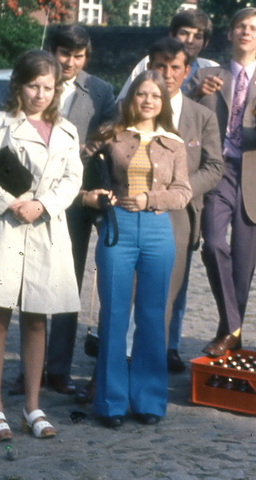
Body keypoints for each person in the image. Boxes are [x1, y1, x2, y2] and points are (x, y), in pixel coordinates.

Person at [0, 49, 83, 441]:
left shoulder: (66, 130)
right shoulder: (2, 122)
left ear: (57, 89)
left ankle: (33, 406)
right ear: (19, 86)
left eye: (48, 87)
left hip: (46, 229)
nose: (40, 94)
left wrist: (42, 204)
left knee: (37, 316)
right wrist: (11, 203)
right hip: (9, 229)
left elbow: (72, 179)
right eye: (33, 85)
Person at [9, 24, 117, 397]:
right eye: (64, 53)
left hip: (77, 198)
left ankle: (58, 369)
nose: (70, 62)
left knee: (66, 283)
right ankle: (29, 370)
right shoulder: (34, 82)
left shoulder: (100, 90)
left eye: (79, 55)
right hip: (34, 198)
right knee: (31, 282)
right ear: (51, 50)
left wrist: (96, 147)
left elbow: (112, 136)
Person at [80, 71, 192, 427]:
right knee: (113, 314)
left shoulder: (174, 143)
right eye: (141, 94)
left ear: (163, 102)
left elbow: (183, 192)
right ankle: (111, 403)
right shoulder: (112, 136)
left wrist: (149, 198)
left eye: (155, 96)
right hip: (118, 229)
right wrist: (94, 196)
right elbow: (79, 167)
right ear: (131, 99)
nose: (148, 101)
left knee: (152, 316)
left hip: (158, 230)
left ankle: (148, 401)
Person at [190, 7, 256, 357]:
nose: (246, 32)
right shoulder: (207, 75)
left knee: (244, 266)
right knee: (214, 245)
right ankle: (235, 328)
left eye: (254, 28)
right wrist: (195, 93)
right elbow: (180, 116)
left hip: (255, 178)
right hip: (215, 172)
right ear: (230, 33)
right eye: (240, 26)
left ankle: (228, 333)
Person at [140, 37, 224, 372]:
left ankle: (151, 375)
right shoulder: (135, 109)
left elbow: (215, 166)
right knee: (127, 298)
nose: (168, 74)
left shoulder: (201, 116)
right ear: (150, 67)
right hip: (135, 211)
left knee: (163, 299)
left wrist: (182, 191)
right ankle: (115, 369)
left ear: (187, 71)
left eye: (175, 67)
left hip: (179, 214)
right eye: (160, 66)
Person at [118, 9, 218, 100]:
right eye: (184, 33)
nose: (190, 41)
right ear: (172, 35)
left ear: (206, 42)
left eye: (198, 36)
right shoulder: (151, 62)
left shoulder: (212, 68)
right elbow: (124, 101)